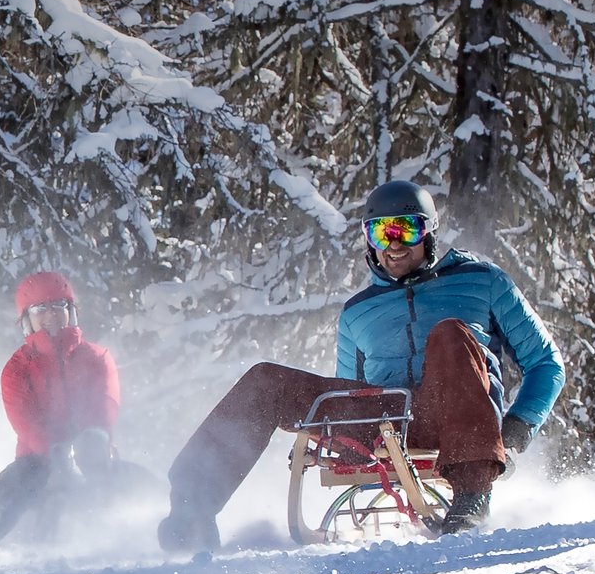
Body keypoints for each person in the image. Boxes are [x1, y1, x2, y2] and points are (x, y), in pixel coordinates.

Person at [158, 179, 563, 551]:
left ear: (428, 232)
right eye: (378, 232)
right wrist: (341, 441)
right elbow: (348, 389)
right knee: (267, 380)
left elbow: (546, 362)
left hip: (454, 414)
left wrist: (515, 431)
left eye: (404, 229)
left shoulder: (483, 281)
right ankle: (191, 509)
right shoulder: (358, 311)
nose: (393, 245)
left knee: (450, 334)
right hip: (385, 416)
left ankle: (472, 496)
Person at [0, 271, 144, 540]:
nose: (51, 315)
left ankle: (177, 512)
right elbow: (24, 423)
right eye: (39, 309)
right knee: (25, 475)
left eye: (58, 306)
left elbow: (105, 407)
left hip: (94, 455)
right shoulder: (17, 369)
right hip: (39, 459)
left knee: (121, 475)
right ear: (26, 319)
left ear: (71, 311)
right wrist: (56, 453)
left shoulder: (97, 358)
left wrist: (89, 443)